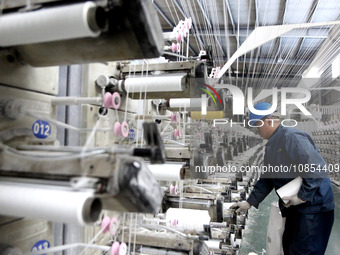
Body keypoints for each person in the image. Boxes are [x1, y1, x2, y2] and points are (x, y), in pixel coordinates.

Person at [231, 102, 334, 255]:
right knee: (290, 248)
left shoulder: (292, 138)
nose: (256, 129)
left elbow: (316, 169)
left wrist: (302, 196)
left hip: (314, 209)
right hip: (296, 208)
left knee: (305, 251)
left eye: (257, 124)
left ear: (269, 121)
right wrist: (249, 202)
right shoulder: (272, 145)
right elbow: (268, 178)